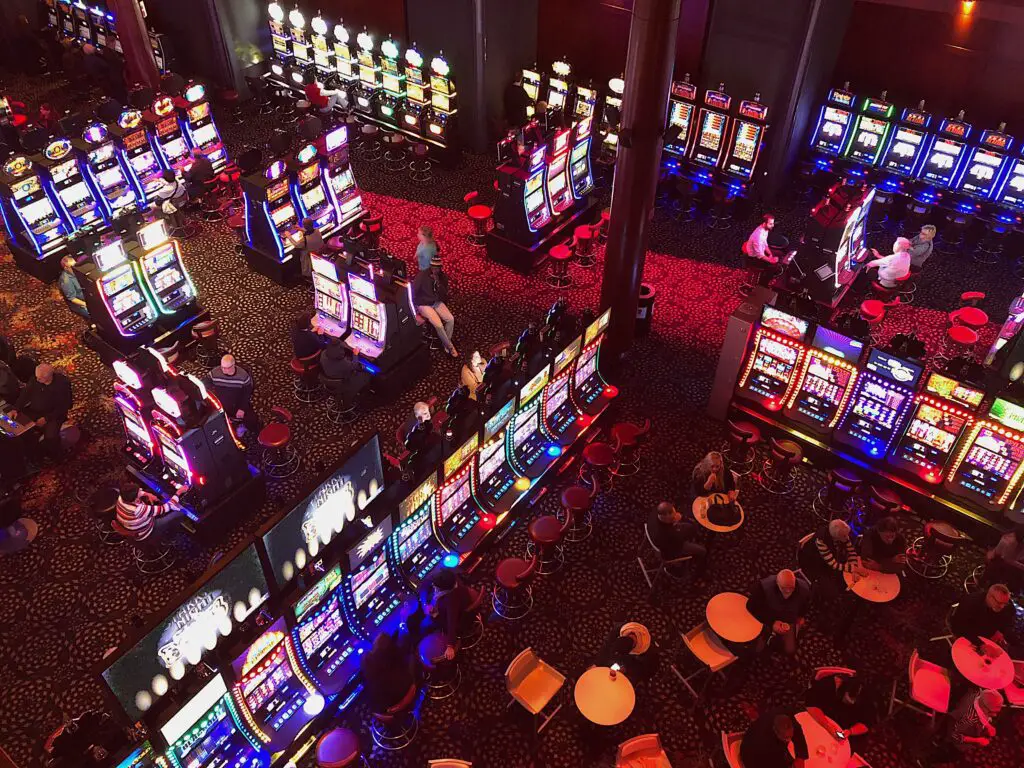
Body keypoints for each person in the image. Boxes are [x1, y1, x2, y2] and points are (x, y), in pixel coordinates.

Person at [11, 363, 72, 459]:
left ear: (49, 377)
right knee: (17, 423)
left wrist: (46, 418)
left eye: (40, 378)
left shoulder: (62, 385)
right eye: (36, 377)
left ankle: (56, 455)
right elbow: (25, 394)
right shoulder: (36, 379)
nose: (37, 380)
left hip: (53, 415)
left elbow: (63, 407)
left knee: (50, 437)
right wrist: (16, 409)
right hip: (35, 410)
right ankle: (31, 449)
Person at [747, 569, 811, 655]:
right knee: (757, 650)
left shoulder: (804, 589)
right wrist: (772, 622)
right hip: (767, 618)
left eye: (791, 588)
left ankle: (775, 642)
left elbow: (805, 606)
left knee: (790, 650)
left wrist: (801, 617)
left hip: (788, 620)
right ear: (777, 583)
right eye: (784, 588)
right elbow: (752, 607)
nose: (788, 591)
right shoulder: (763, 587)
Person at [422, 569, 480, 660]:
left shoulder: (451, 602)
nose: (433, 586)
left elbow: (451, 623)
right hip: (460, 604)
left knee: (424, 625)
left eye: (436, 586)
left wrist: (450, 646)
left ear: (443, 589)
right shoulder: (452, 579)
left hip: (459, 619)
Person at [806, 674, 874, 748]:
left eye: (856, 700)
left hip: (844, 727)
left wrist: (850, 731)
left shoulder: (866, 697)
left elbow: (867, 723)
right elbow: (810, 705)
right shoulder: (830, 684)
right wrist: (827, 726)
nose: (853, 702)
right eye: (850, 697)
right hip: (822, 717)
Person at [413, 254, 458, 357]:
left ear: (440, 268)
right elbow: (413, 291)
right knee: (439, 325)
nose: (435, 270)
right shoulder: (422, 276)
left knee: (450, 319)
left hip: (436, 302)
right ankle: (450, 347)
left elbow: (444, 294)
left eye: (437, 268)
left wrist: (438, 283)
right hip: (424, 304)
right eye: (433, 267)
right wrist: (416, 307)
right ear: (430, 266)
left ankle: (446, 344)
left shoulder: (442, 277)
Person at [646, 501, 707, 575]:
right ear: (667, 516)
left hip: (654, 537)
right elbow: (691, 530)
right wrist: (681, 519)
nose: (676, 514)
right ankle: (688, 567)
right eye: (674, 513)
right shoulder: (672, 534)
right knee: (703, 551)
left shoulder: (655, 511)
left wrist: (672, 521)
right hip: (669, 551)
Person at [360, 633, 415, 713]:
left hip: (395, 710)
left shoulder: (371, 689)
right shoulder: (393, 664)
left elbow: (375, 709)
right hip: (410, 691)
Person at [206, 355, 259, 434]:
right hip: (221, 404)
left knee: (253, 421)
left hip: (237, 403)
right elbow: (206, 382)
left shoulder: (243, 375)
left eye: (226, 368)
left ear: (233, 365)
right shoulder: (214, 373)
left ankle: (245, 427)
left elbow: (247, 393)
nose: (223, 370)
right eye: (222, 367)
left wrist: (242, 408)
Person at [739, 709, 808, 768]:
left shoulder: (785, 716)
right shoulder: (764, 742)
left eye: (790, 737)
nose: (789, 740)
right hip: (751, 756)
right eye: (785, 738)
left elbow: (798, 732)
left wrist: (800, 756)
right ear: (774, 730)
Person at [950, 584, 1014, 647]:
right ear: (989, 597)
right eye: (999, 603)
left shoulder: (1007, 606)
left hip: (987, 635)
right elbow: (960, 626)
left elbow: (1008, 622)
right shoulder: (971, 602)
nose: (1002, 607)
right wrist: (981, 644)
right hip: (968, 634)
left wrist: (1001, 632)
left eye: (1005, 603)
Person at [114, 480, 182, 540]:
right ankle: (171, 537)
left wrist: (148, 494)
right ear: (135, 499)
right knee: (179, 513)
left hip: (132, 526)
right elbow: (166, 507)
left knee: (151, 495)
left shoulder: (122, 497)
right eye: (138, 492)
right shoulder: (138, 510)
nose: (140, 491)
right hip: (145, 532)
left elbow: (137, 493)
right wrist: (178, 492)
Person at [985, 524, 1024, 591]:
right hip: (998, 562)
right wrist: (1021, 566)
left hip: (1003, 559)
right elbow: (1007, 559)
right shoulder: (1011, 541)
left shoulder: (1015, 537)